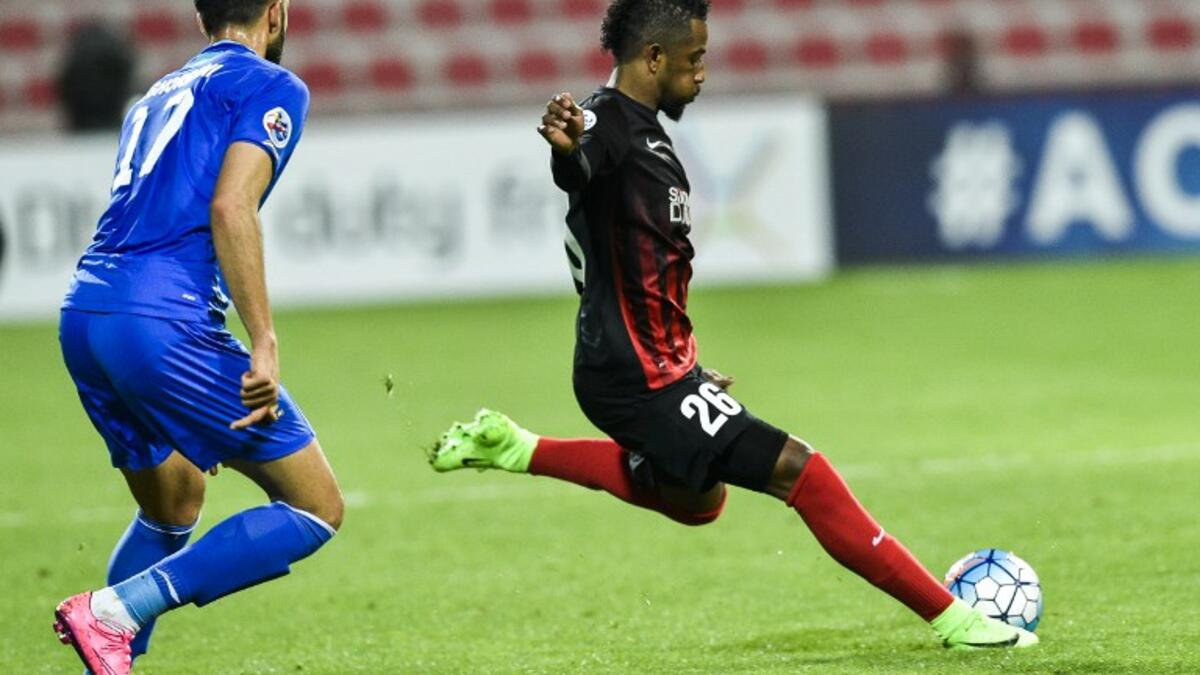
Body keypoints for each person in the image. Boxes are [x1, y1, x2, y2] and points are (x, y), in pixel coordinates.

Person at [429, 0, 1036, 653]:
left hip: (647, 365)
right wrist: (569, 149)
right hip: (636, 374)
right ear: (653, 57)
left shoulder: (645, 130)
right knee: (802, 471)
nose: (703, 74)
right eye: (694, 60)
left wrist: (689, 369)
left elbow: (645, 266)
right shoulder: (606, 123)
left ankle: (516, 447)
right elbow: (579, 164)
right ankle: (958, 620)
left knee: (699, 501)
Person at [52, 2, 343, 673]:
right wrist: (262, 339)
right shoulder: (273, 86)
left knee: (173, 502)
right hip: (161, 321)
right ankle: (110, 614)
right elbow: (229, 205)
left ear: (198, 16)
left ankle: (113, 648)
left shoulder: (155, 94)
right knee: (315, 506)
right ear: (276, 12)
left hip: (88, 312)